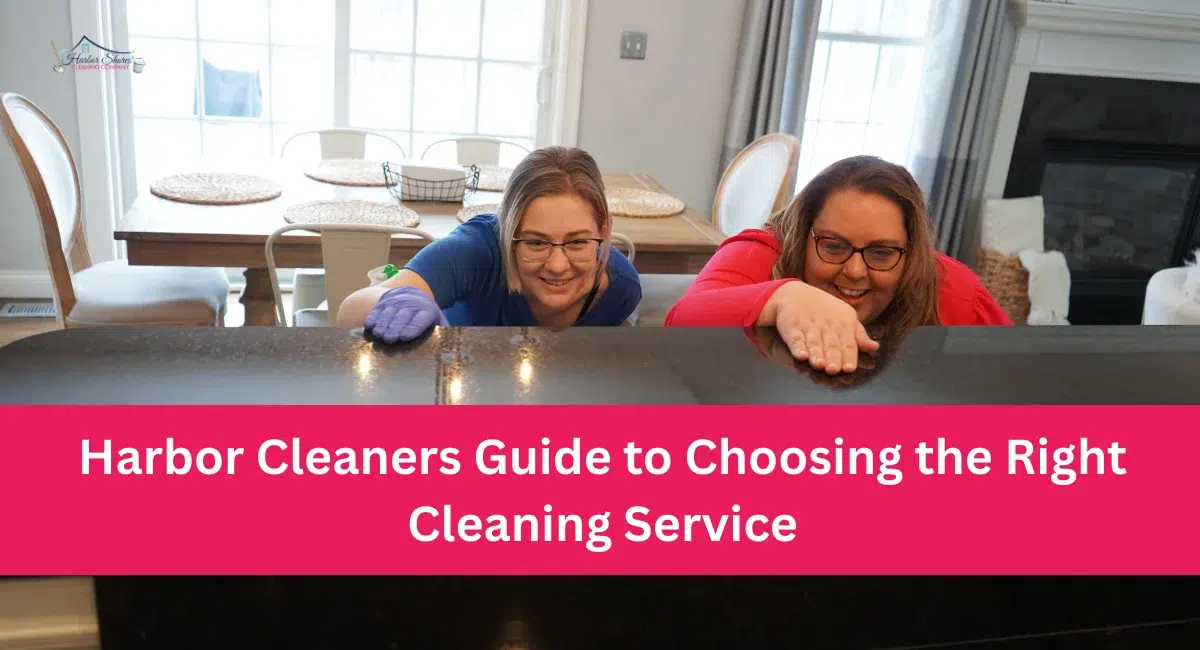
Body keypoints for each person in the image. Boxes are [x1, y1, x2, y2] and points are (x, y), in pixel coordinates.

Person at [665, 155, 1010, 375]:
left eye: (882, 252)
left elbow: (1015, 374)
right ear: (802, 233)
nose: (855, 271)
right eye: (833, 246)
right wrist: (783, 296)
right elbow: (681, 318)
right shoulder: (761, 252)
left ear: (912, 251)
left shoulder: (949, 285)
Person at [338, 146, 642, 342]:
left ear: (603, 231)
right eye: (536, 243)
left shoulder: (621, 290)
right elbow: (351, 309)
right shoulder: (477, 251)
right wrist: (400, 298)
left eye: (577, 242)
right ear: (507, 232)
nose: (558, 265)